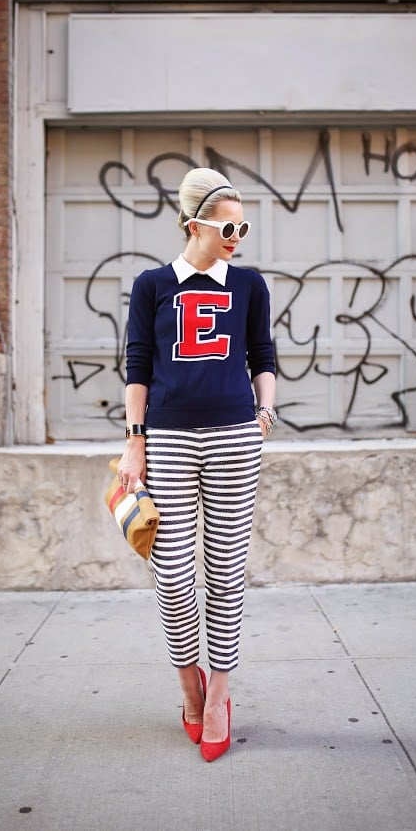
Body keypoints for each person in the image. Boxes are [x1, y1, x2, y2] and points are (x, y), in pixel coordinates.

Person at [118, 167, 277, 762]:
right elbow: (138, 365)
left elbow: (262, 353)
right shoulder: (153, 285)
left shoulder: (250, 285)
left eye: (243, 227)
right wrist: (134, 442)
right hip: (168, 440)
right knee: (173, 573)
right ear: (194, 226)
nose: (237, 237)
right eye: (227, 227)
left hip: (235, 439)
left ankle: (220, 696)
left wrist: (264, 415)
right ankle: (190, 685)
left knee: (228, 571)